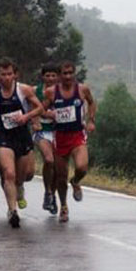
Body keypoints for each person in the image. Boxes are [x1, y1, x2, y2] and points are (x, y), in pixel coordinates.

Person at [0, 57, 44, 228]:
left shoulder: (23, 90)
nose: (7, 78)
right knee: (8, 173)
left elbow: (40, 108)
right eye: (3, 74)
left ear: (15, 75)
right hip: (4, 137)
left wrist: (26, 117)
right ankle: (12, 211)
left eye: (10, 74)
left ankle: (20, 187)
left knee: (26, 174)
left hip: (22, 135)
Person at [43, 60, 96, 223]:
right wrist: (48, 114)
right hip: (60, 137)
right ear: (59, 76)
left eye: (70, 73)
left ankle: (76, 181)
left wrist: (91, 120)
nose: (67, 76)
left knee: (82, 167)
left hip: (77, 135)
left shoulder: (82, 89)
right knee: (60, 176)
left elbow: (92, 102)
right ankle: (64, 206)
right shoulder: (51, 92)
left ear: (74, 74)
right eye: (64, 74)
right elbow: (40, 109)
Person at [32, 63, 59, 214]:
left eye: (53, 75)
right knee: (49, 160)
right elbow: (32, 109)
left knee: (57, 167)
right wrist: (42, 116)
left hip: (59, 132)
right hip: (42, 131)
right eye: (47, 75)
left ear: (58, 77)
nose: (50, 78)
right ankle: (48, 191)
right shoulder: (36, 91)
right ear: (43, 77)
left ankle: (51, 195)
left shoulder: (63, 91)